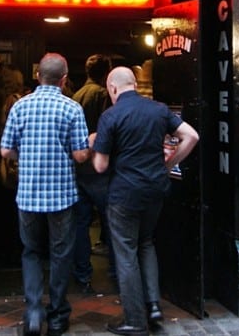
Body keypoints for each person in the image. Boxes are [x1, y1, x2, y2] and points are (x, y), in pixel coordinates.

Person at [92, 66, 199, 336]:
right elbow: (192, 136)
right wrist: (169, 163)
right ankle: (153, 306)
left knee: (126, 252)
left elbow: (101, 166)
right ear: (135, 84)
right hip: (155, 189)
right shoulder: (159, 109)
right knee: (146, 243)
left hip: (124, 194)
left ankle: (135, 319)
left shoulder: (110, 116)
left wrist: (94, 144)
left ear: (112, 88)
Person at [0, 53, 90, 336]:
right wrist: (89, 145)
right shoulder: (72, 108)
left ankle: (34, 311)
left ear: (37, 76)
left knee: (31, 251)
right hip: (61, 196)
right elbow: (79, 155)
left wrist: (24, 154)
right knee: (61, 253)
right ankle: (59, 314)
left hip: (27, 194)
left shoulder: (20, 106)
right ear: (64, 80)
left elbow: (5, 150)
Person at [71, 54, 114, 293]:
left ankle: (82, 273)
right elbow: (108, 129)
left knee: (80, 223)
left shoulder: (76, 95)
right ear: (106, 71)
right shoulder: (101, 95)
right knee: (111, 219)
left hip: (79, 167)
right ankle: (116, 270)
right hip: (100, 165)